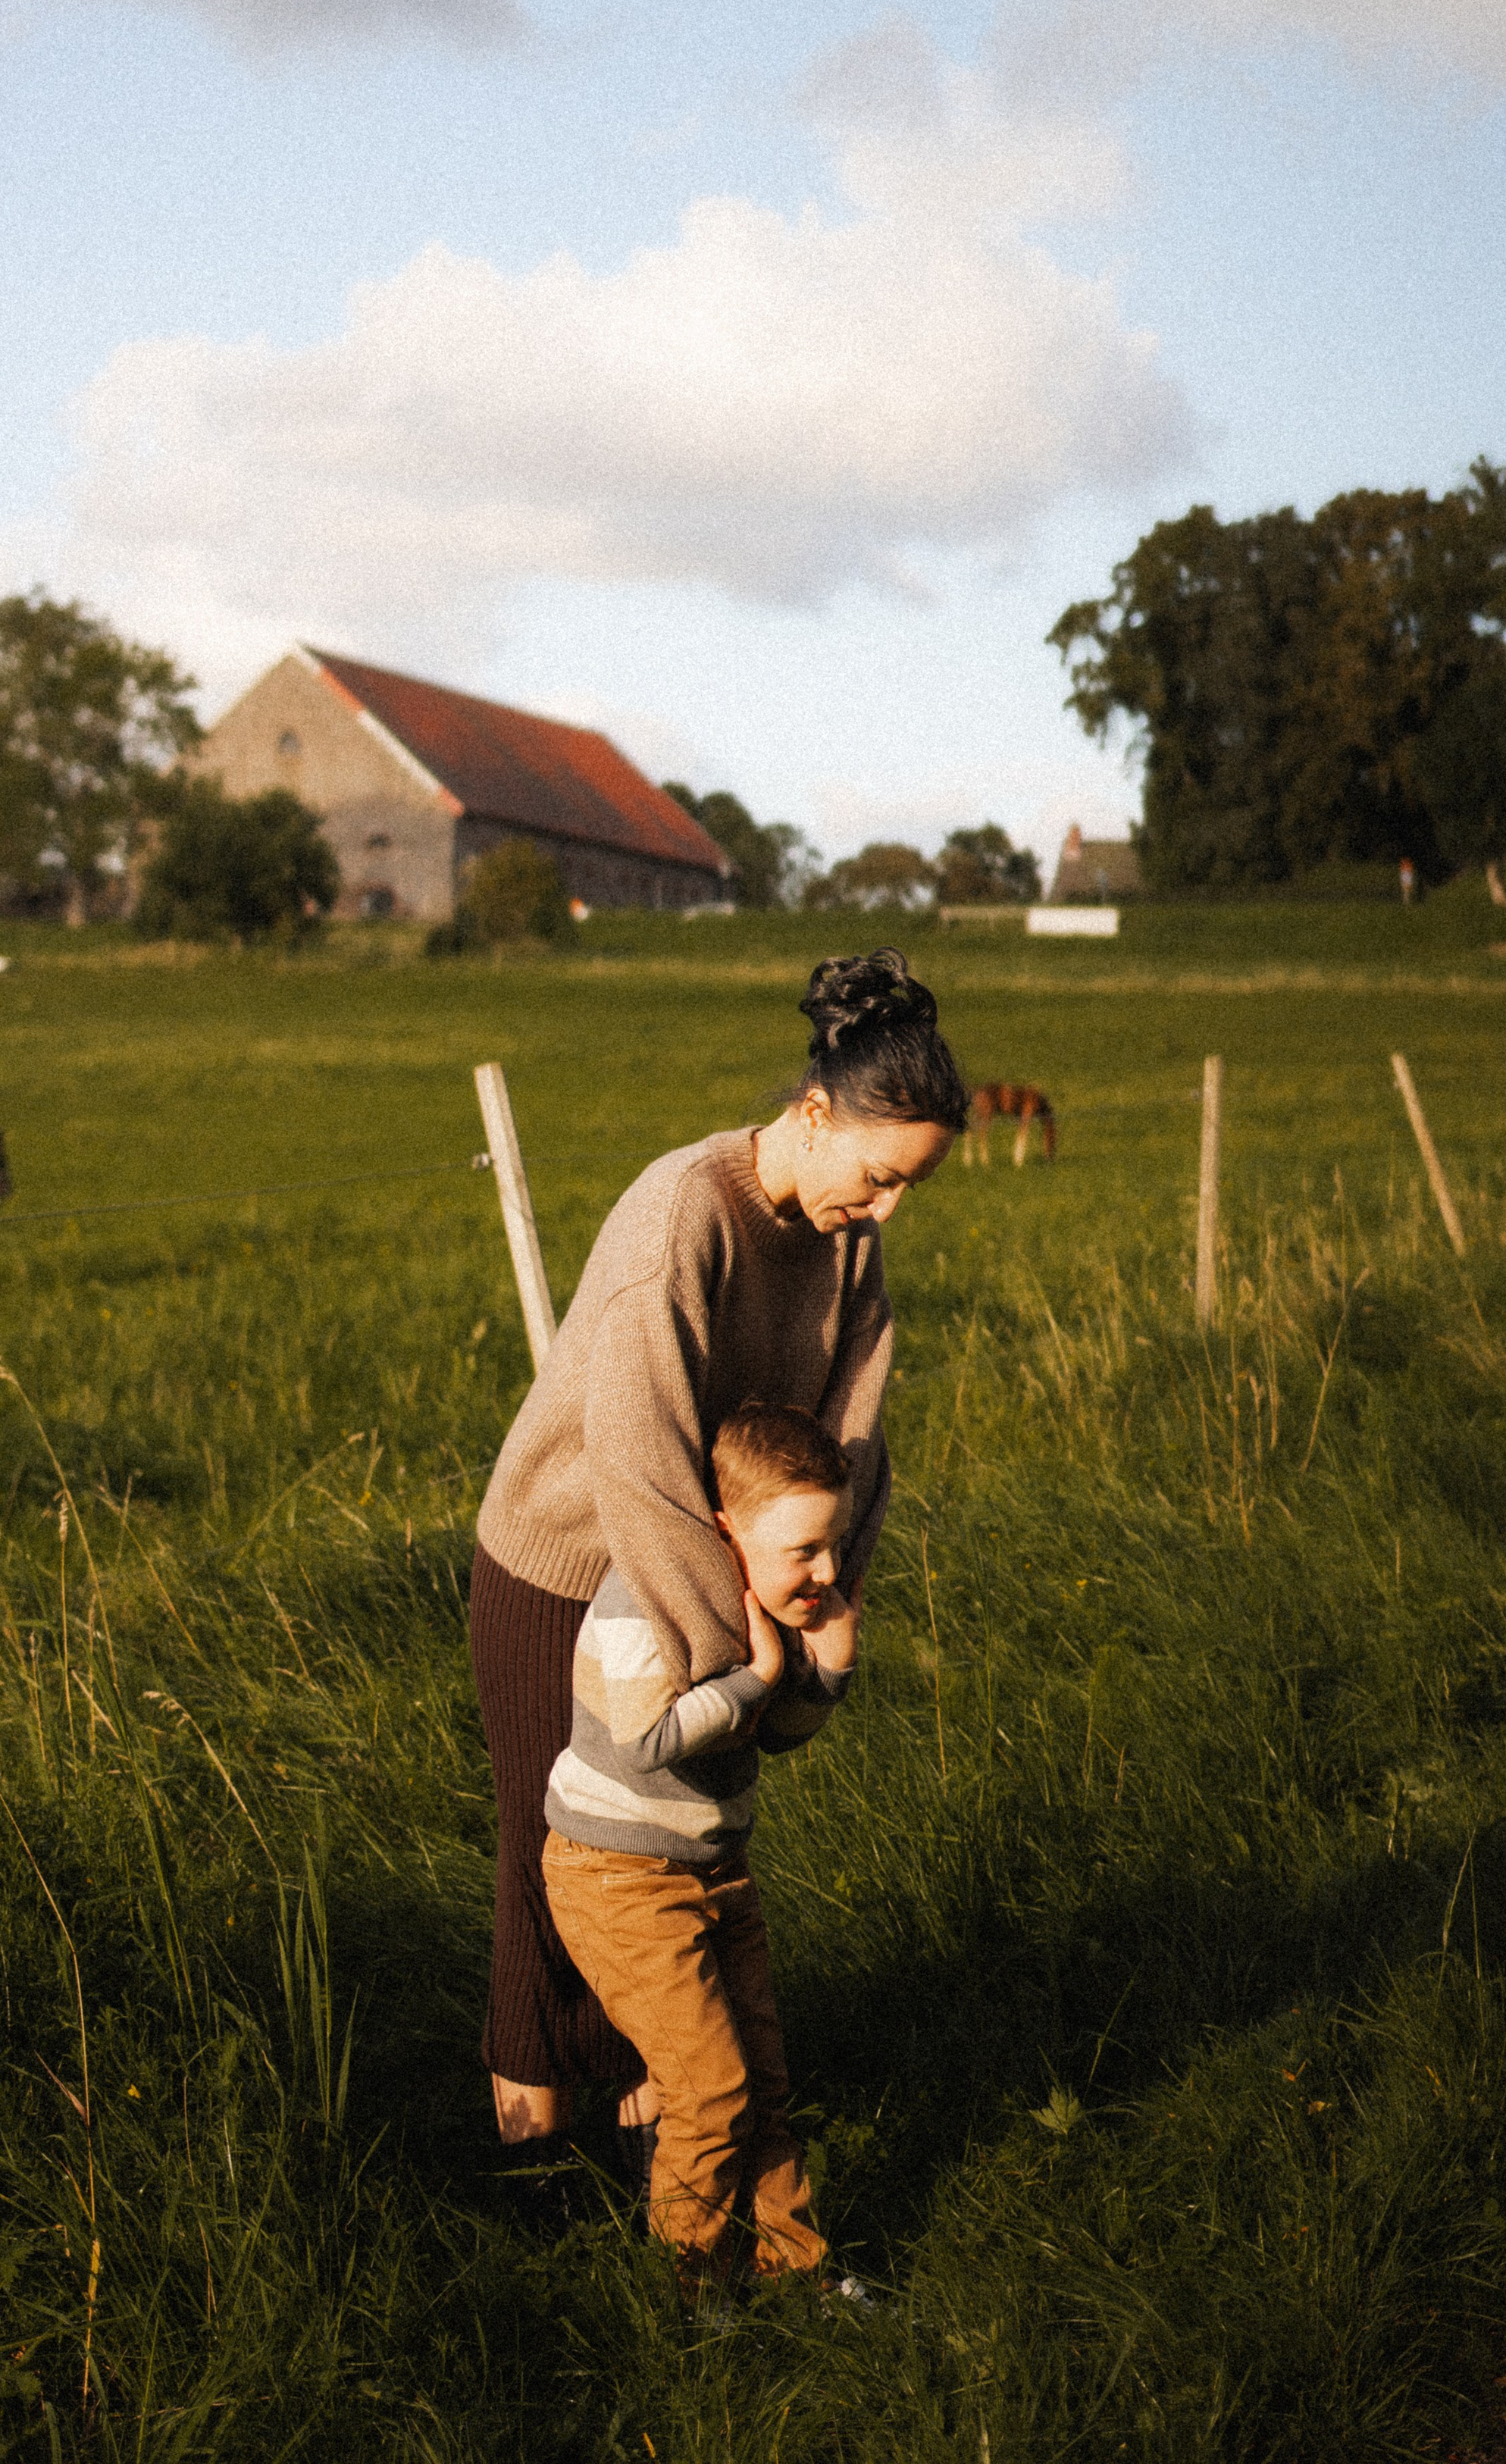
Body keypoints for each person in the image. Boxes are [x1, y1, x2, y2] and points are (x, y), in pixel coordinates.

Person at [468, 946, 966, 2185]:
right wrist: (731, 1672)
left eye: (912, 1187)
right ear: (813, 1117)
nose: (886, 1210)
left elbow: (856, 1436)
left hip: (710, 1577)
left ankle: (668, 2155)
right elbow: (639, 1465)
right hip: (568, 1566)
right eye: (878, 1176)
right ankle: (534, 2179)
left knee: (679, 1869)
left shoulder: (849, 1246)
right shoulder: (682, 1214)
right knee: (561, 1861)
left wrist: (814, 1617)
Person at [541, 1402, 859, 2282]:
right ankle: (686, 2286)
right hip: (618, 1875)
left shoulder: (750, 1595)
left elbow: (774, 1738)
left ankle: (796, 2267)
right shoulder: (642, 1601)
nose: (826, 1570)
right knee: (711, 2091)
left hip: (716, 1866)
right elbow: (646, 1738)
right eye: (804, 1550)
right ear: (726, 1531)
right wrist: (758, 1676)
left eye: (831, 1544)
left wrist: (825, 1670)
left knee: (761, 2084)